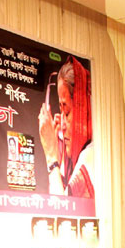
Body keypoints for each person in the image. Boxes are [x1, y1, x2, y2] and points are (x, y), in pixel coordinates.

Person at [38, 56, 94, 198]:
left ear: (83, 109)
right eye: (60, 111)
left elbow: (60, 209)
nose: (62, 125)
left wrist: (51, 157)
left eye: (67, 112)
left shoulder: (91, 155)